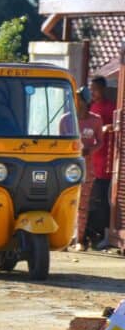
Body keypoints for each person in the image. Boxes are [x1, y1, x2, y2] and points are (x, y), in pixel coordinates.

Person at [60, 88, 102, 249]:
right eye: (74, 98)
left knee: (82, 205)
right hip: (67, 169)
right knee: (66, 203)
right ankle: (63, 239)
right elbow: (60, 144)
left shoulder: (96, 120)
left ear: (86, 101)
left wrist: (90, 150)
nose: (76, 101)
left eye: (79, 99)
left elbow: (100, 141)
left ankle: (79, 239)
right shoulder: (65, 120)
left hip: (86, 168)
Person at [88, 76, 116, 249]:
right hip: (91, 162)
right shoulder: (89, 108)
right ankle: (87, 235)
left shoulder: (110, 108)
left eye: (95, 89)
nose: (93, 93)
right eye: (91, 89)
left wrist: (106, 128)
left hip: (105, 162)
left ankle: (106, 235)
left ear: (103, 90)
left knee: (104, 201)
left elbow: (115, 127)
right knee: (90, 201)